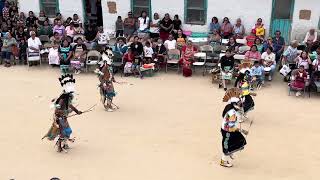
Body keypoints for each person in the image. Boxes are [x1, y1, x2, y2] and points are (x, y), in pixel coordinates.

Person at [42, 74, 82, 153]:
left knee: (66, 131)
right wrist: (66, 112)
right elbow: (57, 110)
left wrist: (77, 111)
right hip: (60, 118)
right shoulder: (62, 99)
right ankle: (59, 146)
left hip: (63, 118)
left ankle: (64, 144)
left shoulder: (66, 97)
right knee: (63, 132)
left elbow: (70, 105)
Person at [220, 88, 248, 168]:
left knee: (239, 140)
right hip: (228, 131)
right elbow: (230, 128)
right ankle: (224, 161)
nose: (241, 104)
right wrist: (242, 130)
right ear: (236, 104)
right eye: (240, 103)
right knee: (227, 146)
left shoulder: (229, 107)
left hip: (227, 130)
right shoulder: (233, 114)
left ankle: (230, 152)